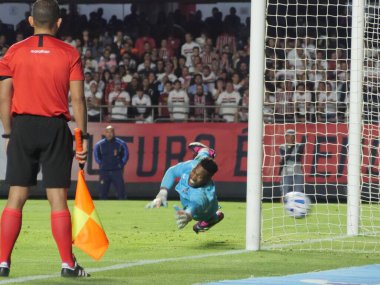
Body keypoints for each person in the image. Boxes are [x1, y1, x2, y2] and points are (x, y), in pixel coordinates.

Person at [0, 0, 89, 277]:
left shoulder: (12, 52)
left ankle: (2, 262)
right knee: (58, 198)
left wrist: (8, 132)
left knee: (15, 196)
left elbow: (4, 97)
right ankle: (67, 263)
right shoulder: (69, 53)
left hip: (23, 127)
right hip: (54, 128)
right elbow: (78, 100)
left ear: (30, 21)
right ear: (58, 22)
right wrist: (81, 138)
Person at [145, 142, 224, 234]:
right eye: (194, 172)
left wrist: (188, 214)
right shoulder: (191, 166)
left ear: (207, 179)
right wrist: (162, 192)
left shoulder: (202, 194)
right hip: (199, 165)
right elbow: (172, 171)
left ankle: (214, 218)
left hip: (205, 211)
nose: (193, 177)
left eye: (200, 177)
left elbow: (194, 205)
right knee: (202, 158)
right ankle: (205, 151)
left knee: (208, 217)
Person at [94, 125, 129, 200]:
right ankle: (103, 209)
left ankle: (123, 208)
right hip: (104, 171)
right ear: (105, 133)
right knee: (103, 193)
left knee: (121, 192)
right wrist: (102, 164)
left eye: (111, 132)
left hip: (117, 171)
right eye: (107, 132)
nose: (109, 134)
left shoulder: (121, 143)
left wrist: (120, 164)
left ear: (114, 133)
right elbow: (96, 156)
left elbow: (126, 155)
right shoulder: (99, 145)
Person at [278, 129, 305, 201]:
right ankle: (282, 208)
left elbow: (298, 157)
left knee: (298, 192)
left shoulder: (300, 146)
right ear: (285, 137)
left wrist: (288, 156)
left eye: (292, 136)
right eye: (288, 136)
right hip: (286, 172)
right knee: (284, 192)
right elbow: (285, 157)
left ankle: (297, 207)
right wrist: (291, 149)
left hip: (297, 171)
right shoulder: (282, 146)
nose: (290, 138)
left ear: (294, 137)